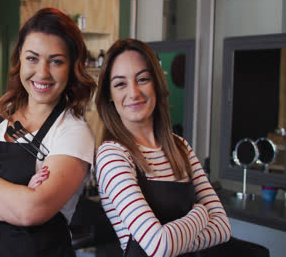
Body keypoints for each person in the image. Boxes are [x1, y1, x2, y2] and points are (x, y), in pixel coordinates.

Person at [0, 7, 96, 257]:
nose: (42, 73)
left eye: (56, 61)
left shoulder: (73, 132)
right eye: (32, 58)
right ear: (19, 60)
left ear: (72, 67)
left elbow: (31, 211)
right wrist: (14, 211)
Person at [94, 39, 231, 257]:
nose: (134, 92)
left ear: (156, 84)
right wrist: (201, 212)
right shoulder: (113, 155)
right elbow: (159, 246)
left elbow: (223, 228)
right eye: (120, 84)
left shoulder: (180, 147)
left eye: (143, 79)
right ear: (109, 95)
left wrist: (172, 240)